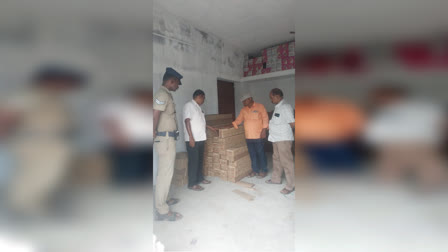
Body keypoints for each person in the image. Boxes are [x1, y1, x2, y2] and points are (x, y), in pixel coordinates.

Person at [0, 63, 87, 216]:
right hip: (35, 143)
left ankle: (34, 206)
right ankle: (23, 208)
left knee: (48, 176)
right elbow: (6, 116)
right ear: (50, 80)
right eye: (66, 82)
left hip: (52, 143)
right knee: (35, 176)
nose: (69, 86)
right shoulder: (29, 95)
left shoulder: (52, 97)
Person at [364, 84, 446, 188]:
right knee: (385, 182)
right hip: (390, 150)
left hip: (421, 148)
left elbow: (442, 124)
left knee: (434, 179)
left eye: (379, 97)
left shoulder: (423, 107)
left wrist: (441, 145)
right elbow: (371, 135)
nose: (376, 101)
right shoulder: (382, 113)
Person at [295, 95, 365, 173]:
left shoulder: (332, 111)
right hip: (311, 147)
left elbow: (352, 128)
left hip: (337, 145)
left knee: (346, 167)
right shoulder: (300, 114)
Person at [100, 86, 153, 184]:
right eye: (146, 96)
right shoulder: (120, 106)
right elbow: (108, 122)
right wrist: (118, 138)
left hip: (146, 146)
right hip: (126, 145)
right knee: (128, 173)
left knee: (144, 173)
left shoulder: (148, 108)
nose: (148, 99)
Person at [153, 67, 183, 221]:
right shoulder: (162, 94)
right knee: (164, 174)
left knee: (167, 173)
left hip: (168, 139)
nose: (178, 86)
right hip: (164, 139)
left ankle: (164, 199)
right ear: (171, 81)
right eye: (177, 83)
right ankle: (162, 210)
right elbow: (155, 113)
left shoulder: (166, 94)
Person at [183, 89, 217, 191]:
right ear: (199, 96)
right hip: (193, 140)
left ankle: (200, 178)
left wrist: (210, 128)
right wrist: (191, 138)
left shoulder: (198, 108)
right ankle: (192, 184)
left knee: (200, 160)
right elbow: (187, 122)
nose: (204, 100)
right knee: (193, 162)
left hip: (201, 138)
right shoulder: (189, 105)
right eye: (203, 98)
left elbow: (200, 122)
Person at [265, 88, 295, 194]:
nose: (271, 99)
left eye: (271, 97)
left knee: (286, 161)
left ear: (277, 96)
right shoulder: (278, 107)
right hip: (276, 138)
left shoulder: (285, 107)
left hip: (283, 139)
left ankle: (290, 185)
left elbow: (292, 123)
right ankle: (276, 179)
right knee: (276, 159)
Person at [232, 94, 269, 178]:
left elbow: (265, 118)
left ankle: (264, 170)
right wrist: (233, 124)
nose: (243, 102)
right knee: (252, 154)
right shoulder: (243, 110)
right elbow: (239, 120)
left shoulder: (260, 107)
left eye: (244, 101)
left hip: (258, 136)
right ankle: (255, 170)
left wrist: (264, 130)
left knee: (261, 153)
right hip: (248, 136)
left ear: (250, 99)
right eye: (242, 101)